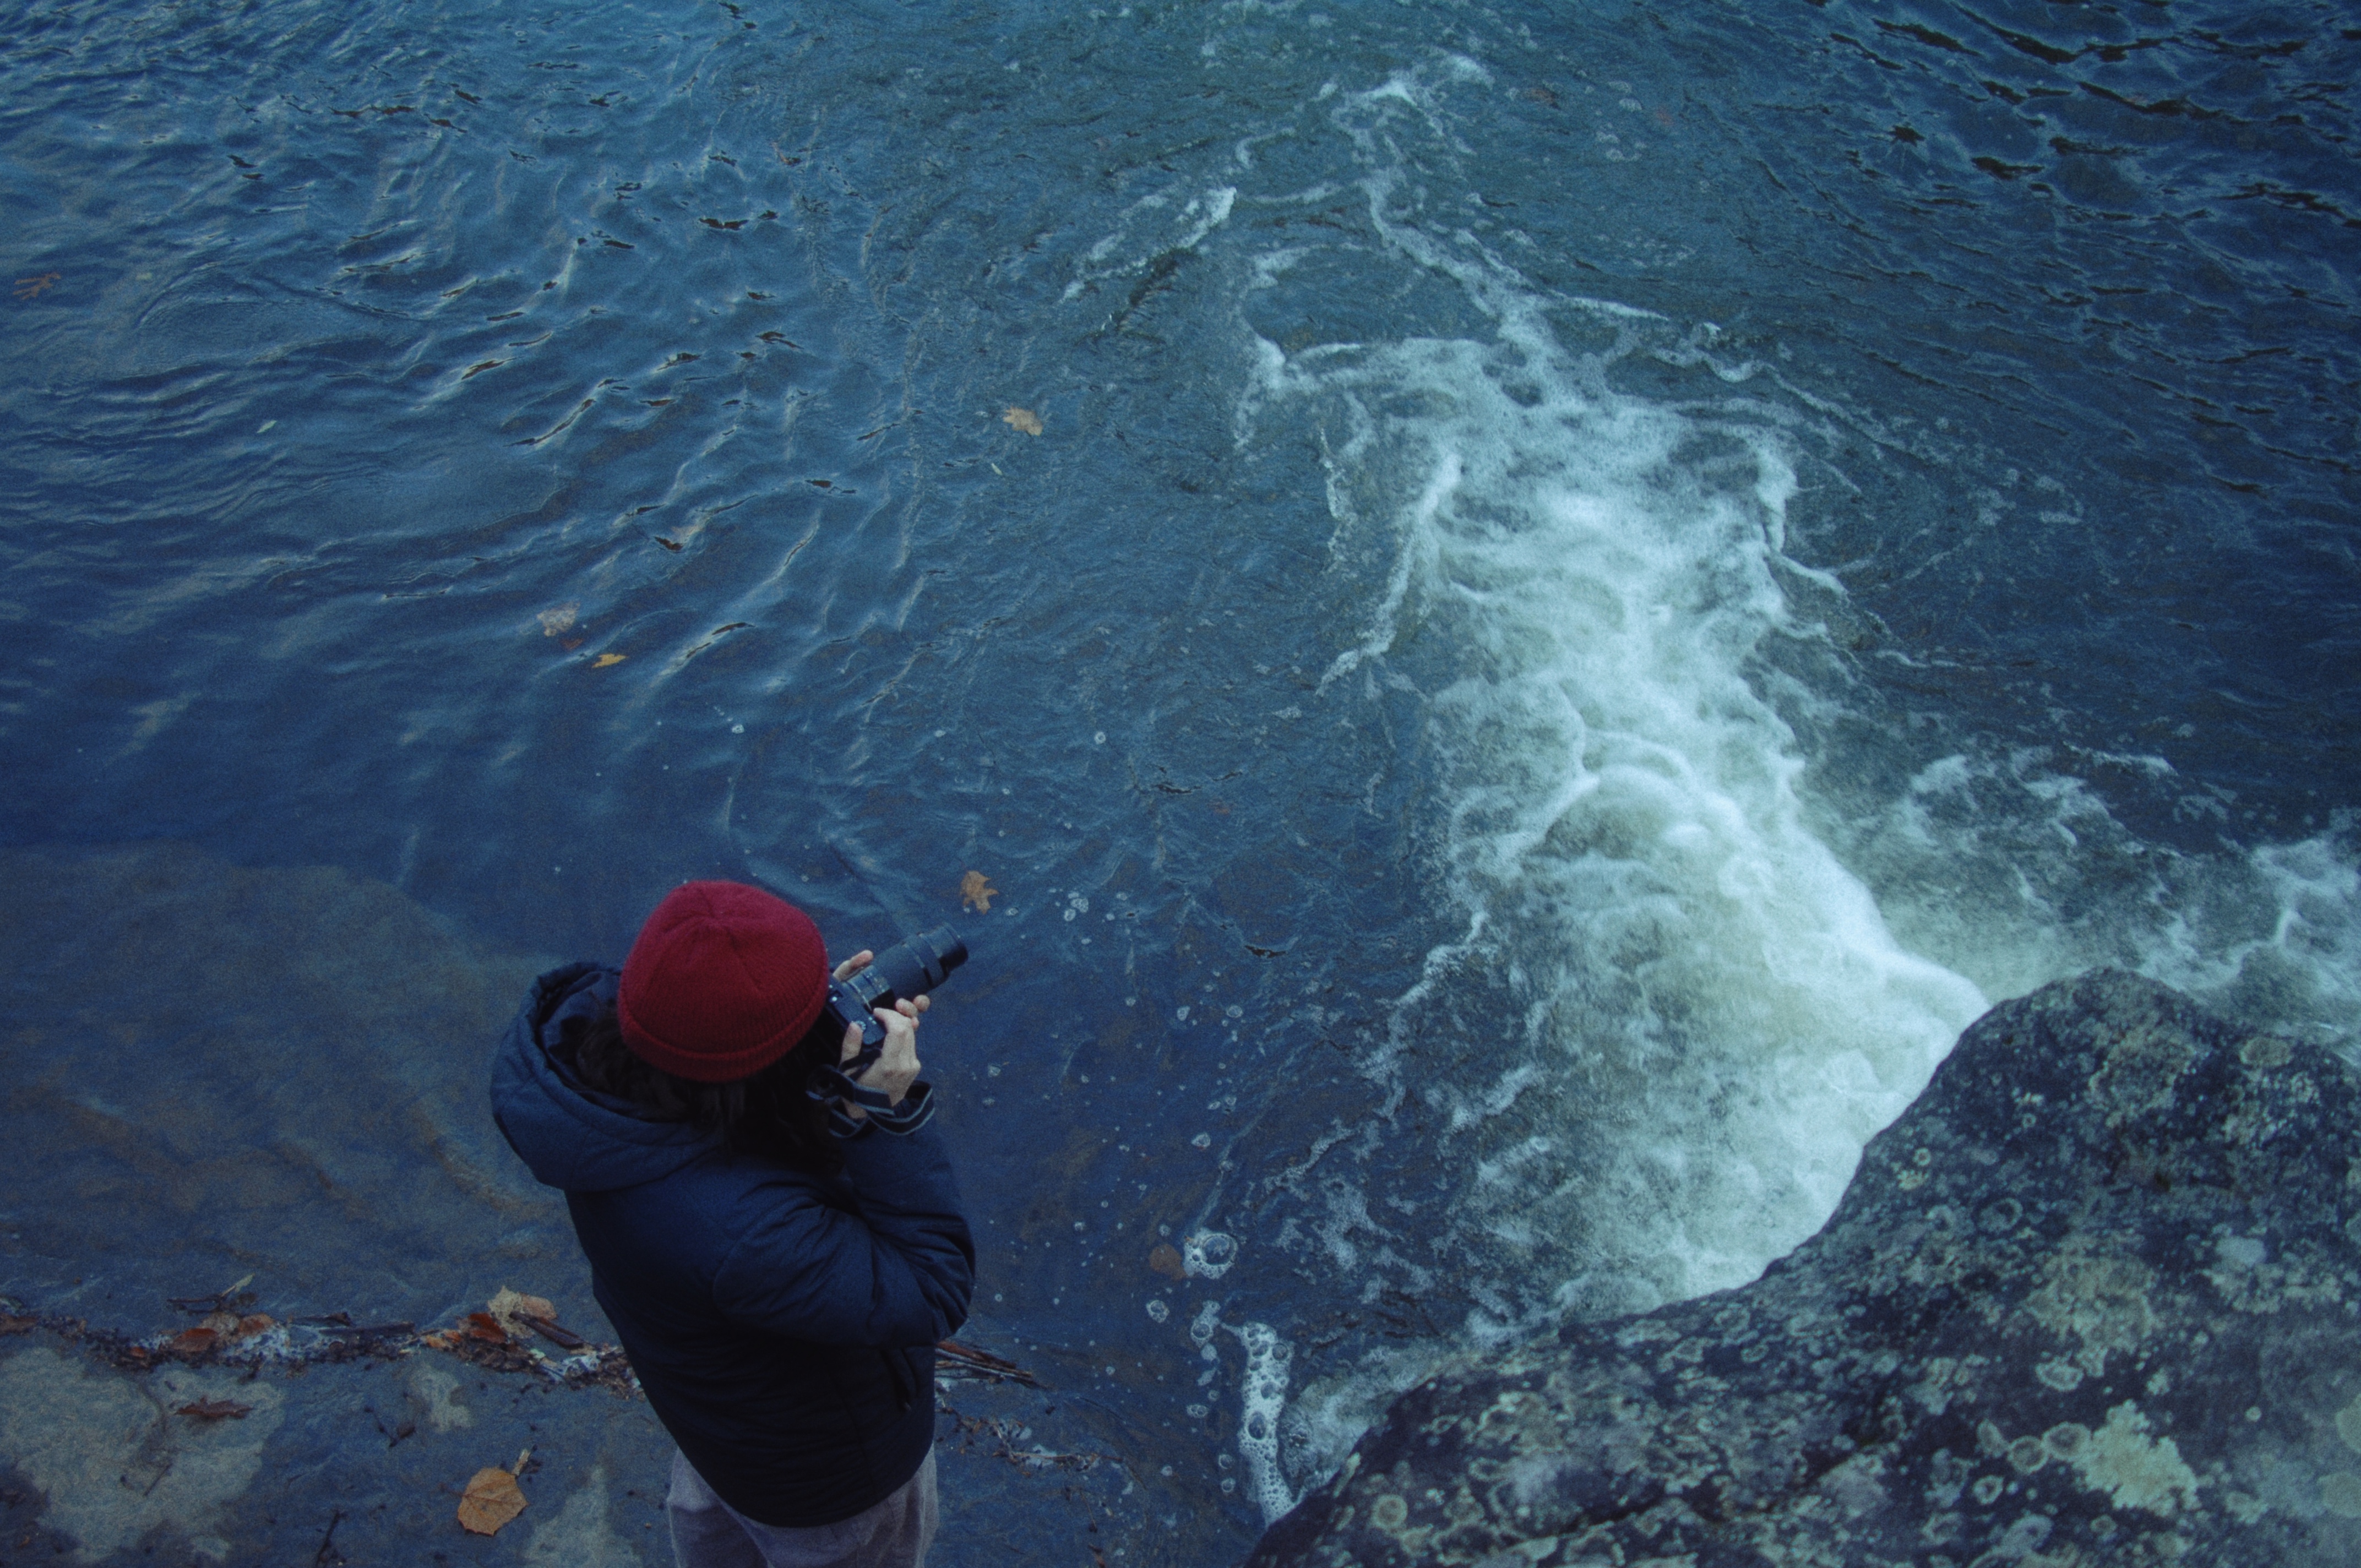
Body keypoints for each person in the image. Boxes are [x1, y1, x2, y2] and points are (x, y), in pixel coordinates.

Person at [490, 880, 973, 1568]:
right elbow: (933, 1288)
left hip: (718, 1431)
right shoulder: (742, 1232)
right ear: (759, 1077)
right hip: (825, 1488)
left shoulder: (597, 1103)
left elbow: (724, 1138)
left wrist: (790, 1032)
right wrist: (882, 1114)